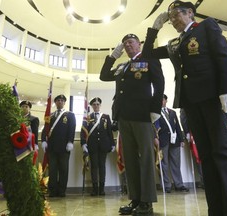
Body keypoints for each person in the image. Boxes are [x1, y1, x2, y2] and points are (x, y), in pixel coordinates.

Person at [142, 1, 227, 215]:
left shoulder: (207, 27)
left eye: (176, 15)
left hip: (211, 99)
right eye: (170, 18)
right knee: (206, 157)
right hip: (189, 103)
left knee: (222, 154)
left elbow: (223, 55)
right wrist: (154, 28)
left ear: (190, 12)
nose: (173, 20)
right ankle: (216, 210)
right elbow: (148, 54)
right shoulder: (174, 43)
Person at [100, 33, 164, 215]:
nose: (127, 46)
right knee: (130, 160)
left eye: (130, 42)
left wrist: (155, 109)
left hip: (142, 116)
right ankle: (135, 199)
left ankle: (147, 201)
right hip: (123, 117)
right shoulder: (122, 66)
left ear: (139, 44)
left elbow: (160, 84)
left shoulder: (148, 59)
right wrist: (113, 56)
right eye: (124, 44)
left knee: (145, 159)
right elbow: (104, 75)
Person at [41, 94, 76, 197]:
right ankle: (53, 190)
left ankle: (62, 191)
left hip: (64, 147)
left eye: (62, 100)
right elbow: (45, 129)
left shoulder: (70, 115)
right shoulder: (50, 115)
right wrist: (43, 140)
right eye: (58, 100)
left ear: (64, 102)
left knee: (63, 170)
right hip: (52, 147)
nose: (60, 102)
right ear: (55, 103)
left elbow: (72, 129)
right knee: (52, 169)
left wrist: (70, 142)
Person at [80, 97, 115, 196]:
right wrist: (83, 143)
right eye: (94, 104)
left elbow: (109, 132)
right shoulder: (88, 117)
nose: (96, 106)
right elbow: (84, 131)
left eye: (97, 104)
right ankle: (95, 189)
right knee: (94, 166)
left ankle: (102, 189)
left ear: (100, 105)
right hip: (92, 145)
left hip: (104, 145)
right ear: (91, 106)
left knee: (102, 166)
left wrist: (112, 144)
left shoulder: (106, 117)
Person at [154, 94, 188, 193]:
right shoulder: (155, 113)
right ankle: (166, 185)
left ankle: (179, 184)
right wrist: (155, 138)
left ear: (166, 101)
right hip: (162, 141)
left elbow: (177, 126)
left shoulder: (172, 112)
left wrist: (181, 139)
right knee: (164, 164)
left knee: (176, 163)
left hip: (175, 141)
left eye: (163, 100)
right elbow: (154, 128)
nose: (162, 102)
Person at [180, 108, 204, 189]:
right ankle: (204, 180)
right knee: (199, 157)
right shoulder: (185, 106)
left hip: (205, 131)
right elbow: (183, 119)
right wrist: (186, 132)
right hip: (194, 132)